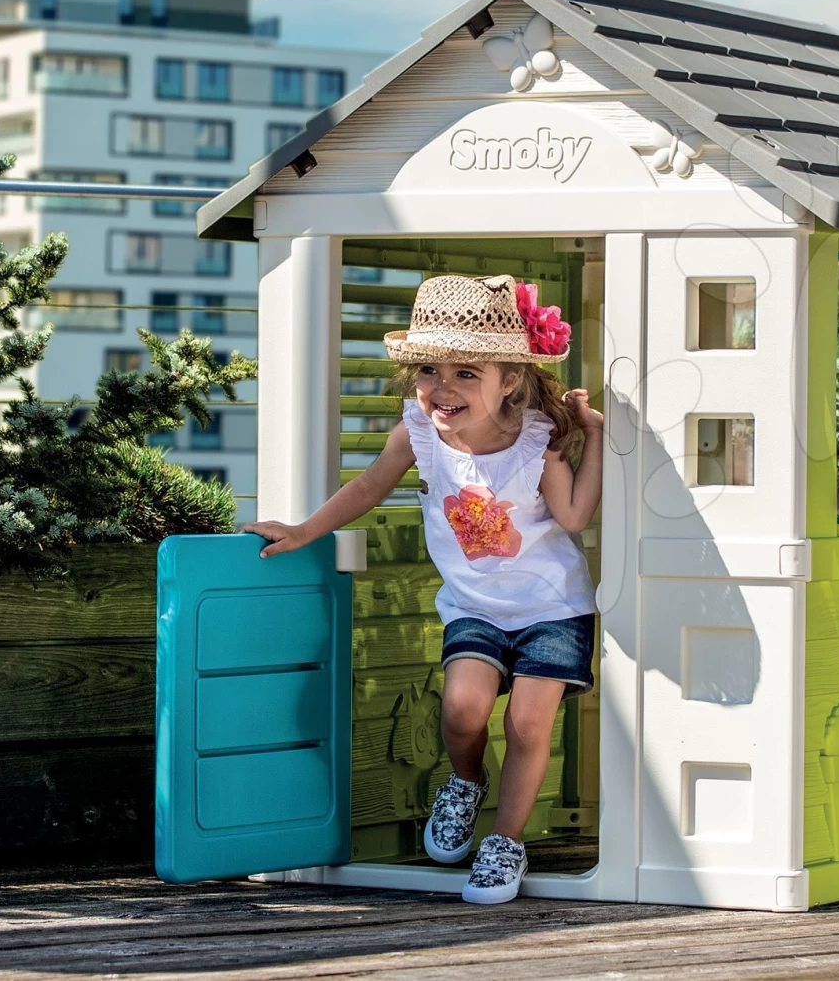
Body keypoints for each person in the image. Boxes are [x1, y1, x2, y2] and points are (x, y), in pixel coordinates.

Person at [242, 273, 601, 904]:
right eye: (429, 370)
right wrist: (304, 531)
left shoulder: (536, 443)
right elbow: (367, 487)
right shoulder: (418, 434)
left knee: (526, 724)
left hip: (552, 607)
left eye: (466, 373)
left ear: (509, 379)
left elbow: (573, 517)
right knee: (461, 711)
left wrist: (594, 435)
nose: (443, 387)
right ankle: (467, 782)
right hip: (473, 607)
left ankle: (506, 842)